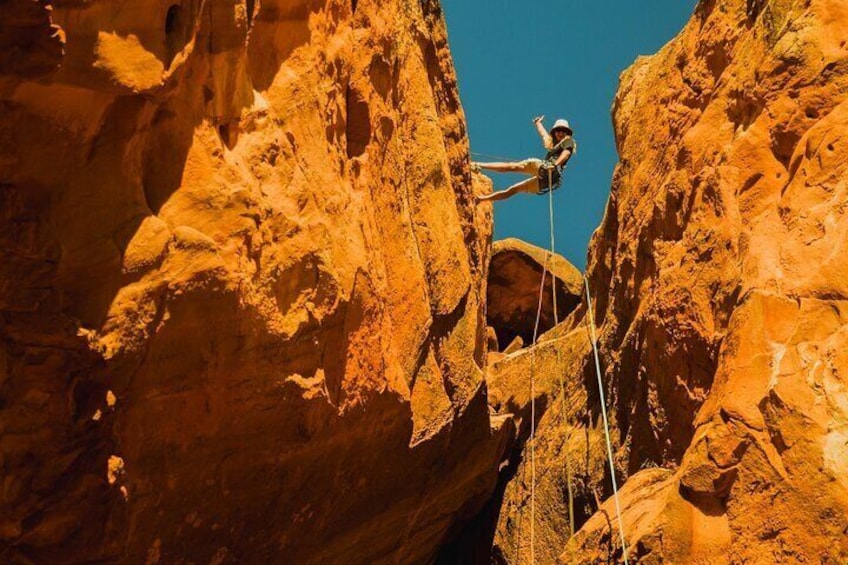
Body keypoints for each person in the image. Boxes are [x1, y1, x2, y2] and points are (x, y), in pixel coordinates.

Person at [474, 116, 576, 202]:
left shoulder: (568, 141)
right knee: (513, 167)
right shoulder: (553, 144)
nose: (561, 133)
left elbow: (566, 153)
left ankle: (482, 199)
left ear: (567, 133)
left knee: (513, 189)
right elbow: (544, 135)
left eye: (563, 131)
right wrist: (538, 123)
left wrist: (555, 164)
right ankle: (478, 165)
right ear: (554, 132)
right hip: (546, 173)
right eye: (558, 130)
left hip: (549, 173)